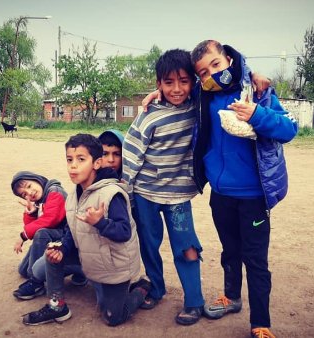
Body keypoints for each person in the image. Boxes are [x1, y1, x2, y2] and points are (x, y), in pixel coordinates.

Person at [191, 40, 297, 338]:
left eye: (215, 65)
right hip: (220, 194)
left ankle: (260, 323)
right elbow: (177, 91)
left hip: (253, 196)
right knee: (230, 251)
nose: (210, 74)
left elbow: (289, 129)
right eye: (202, 72)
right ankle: (231, 298)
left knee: (255, 260)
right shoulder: (203, 96)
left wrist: (256, 114)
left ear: (228, 59)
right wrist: (157, 93)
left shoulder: (256, 90)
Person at [23, 133, 150, 327]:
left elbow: (124, 232)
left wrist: (100, 223)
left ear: (97, 163)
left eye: (81, 159)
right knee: (51, 254)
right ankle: (57, 306)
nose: (73, 166)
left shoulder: (111, 193)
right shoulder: (73, 195)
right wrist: (63, 249)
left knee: (112, 317)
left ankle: (141, 289)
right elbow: (71, 231)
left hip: (113, 265)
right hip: (88, 258)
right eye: (69, 159)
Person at [122, 49, 205, 326]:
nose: (177, 88)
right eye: (168, 82)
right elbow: (132, 152)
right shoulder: (149, 115)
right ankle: (156, 288)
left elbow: (225, 80)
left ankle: (194, 301)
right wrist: (126, 188)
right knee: (149, 243)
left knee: (187, 247)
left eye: (183, 80)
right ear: (159, 84)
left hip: (179, 195)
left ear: (193, 81)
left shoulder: (198, 107)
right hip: (145, 193)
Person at [11, 171, 69, 300]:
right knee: (23, 270)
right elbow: (34, 229)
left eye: (29, 186)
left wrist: (23, 236)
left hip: (67, 237)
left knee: (42, 233)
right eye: (24, 194)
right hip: (55, 235)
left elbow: (50, 219)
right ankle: (35, 274)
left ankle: (36, 282)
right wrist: (31, 213)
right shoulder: (41, 200)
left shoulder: (55, 192)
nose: (29, 193)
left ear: (36, 179)